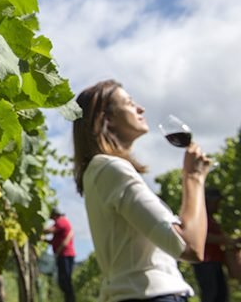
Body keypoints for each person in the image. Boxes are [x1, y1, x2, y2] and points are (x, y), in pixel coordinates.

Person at [73, 79, 212, 302]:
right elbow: (190, 246)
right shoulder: (111, 168)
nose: (141, 108)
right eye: (129, 103)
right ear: (105, 119)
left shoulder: (98, 171)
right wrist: (194, 178)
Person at [192, 188, 231, 302]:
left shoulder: (212, 220)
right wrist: (227, 240)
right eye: (216, 202)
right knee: (210, 295)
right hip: (205, 263)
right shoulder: (199, 217)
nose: (218, 205)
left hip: (215, 262)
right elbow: (203, 236)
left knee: (221, 295)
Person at [44, 207, 76, 302]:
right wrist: (44, 240)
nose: (53, 220)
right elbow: (54, 242)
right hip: (64, 255)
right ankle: (69, 300)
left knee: (64, 281)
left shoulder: (61, 221)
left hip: (65, 255)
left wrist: (37, 230)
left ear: (55, 215)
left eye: (52, 218)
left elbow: (49, 231)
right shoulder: (61, 223)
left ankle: (70, 300)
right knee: (64, 281)